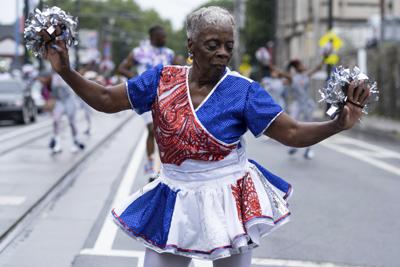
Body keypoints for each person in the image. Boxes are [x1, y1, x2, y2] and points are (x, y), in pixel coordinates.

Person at [44, 6, 369, 267]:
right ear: (191, 46)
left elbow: (293, 132)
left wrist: (337, 124)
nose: (222, 53)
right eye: (212, 45)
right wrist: (66, 71)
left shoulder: (243, 91)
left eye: (228, 45)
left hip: (229, 198)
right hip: (174, 194)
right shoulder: (161, 80)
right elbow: (105, 100)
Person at [118, 25, 175, 181]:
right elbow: (122, 68)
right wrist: (138, 79)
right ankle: (151, 169)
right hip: (145, 97)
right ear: (152, 37)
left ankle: (165, 166)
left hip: (165, 97)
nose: (164, 39)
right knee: (151, 129)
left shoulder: (169, 53)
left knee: (166, 132)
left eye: (165, 36)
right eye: (160, 36)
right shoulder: (139, 52)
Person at [39, 71, 85, 153]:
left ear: (47, 77)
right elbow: (51, 96)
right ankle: (57, 143)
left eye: (42, 79)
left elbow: (65, 89)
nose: (41, 81)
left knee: (72, 122)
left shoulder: (56, 78)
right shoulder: (46, 85)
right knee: (56, 121)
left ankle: (75, 141)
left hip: (69, 100)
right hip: (59, 101)